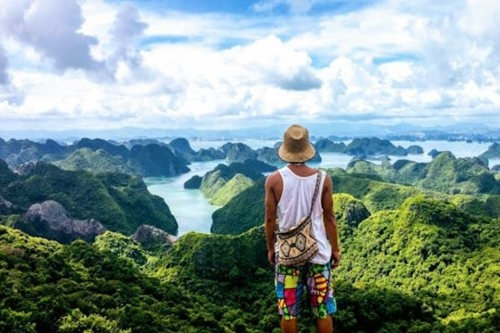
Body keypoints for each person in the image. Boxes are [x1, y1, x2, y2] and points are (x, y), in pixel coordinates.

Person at [265, 124, 341, 333]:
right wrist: (335, 248)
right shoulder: (323, 178)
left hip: (288, 254)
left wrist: (271, 248)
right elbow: (330, 218)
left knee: (288, 310)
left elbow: (270, 219)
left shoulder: (274, 180)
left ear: (286, 150)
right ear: (307, 149)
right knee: (322, 309)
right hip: (319, 252)